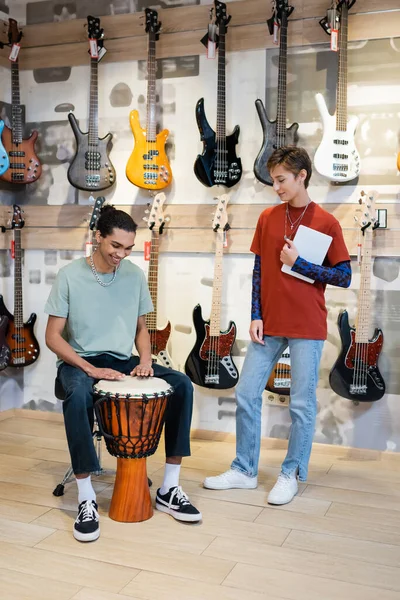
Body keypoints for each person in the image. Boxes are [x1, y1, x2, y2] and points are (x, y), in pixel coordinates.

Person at [203, 146, 351, 505]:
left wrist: (300, 264)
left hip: (306, 324)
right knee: (246, 393)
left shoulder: (327, 222)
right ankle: (244, 470)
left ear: (302, 176)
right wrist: (255, 313)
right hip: (268, 323)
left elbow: (344, 276)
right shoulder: (268, 217)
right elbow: (259, 271)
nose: (276, 186)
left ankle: (291, 473)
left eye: (282, 179)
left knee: (301, 405)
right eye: (273, 180)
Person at [45, 205, 201, 542]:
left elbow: (141, 329)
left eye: (128, 248)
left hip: (121, 359)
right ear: (98, 237)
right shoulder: (69, 276)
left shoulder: (133, 275)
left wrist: (145, 359)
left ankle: (170, 487)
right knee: (79, 393)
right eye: (116, 245)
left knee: (182, 384)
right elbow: (52, 337)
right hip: (79, 362)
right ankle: (86, 497)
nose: (122, 254)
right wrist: (89, 368)